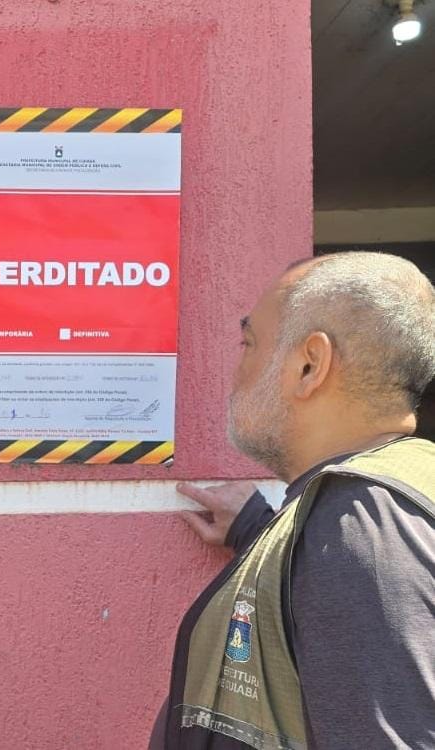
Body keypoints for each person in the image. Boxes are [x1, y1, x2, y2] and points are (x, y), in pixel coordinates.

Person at [152, 252, 435, 749]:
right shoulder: (381, 499)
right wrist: (254, 527)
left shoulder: (359, 521)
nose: (236, 372)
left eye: (249, 344)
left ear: (310, 365)